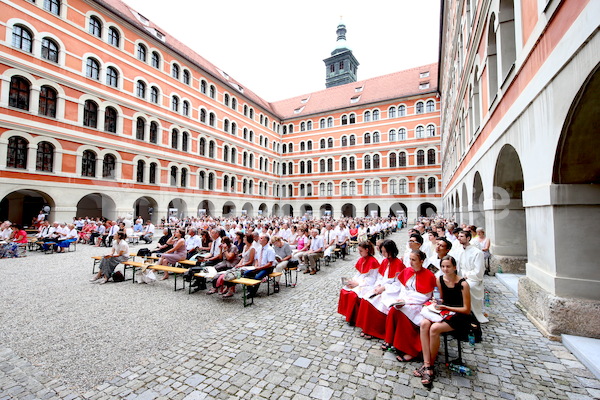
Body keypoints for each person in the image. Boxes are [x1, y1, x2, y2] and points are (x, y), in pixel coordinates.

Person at [416, 255, 471, 385]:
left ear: (455, 267)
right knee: (424, 324)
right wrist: (437, 302)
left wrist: (446, 306)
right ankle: (426, 363)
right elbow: (440, 298)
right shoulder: (439, 280)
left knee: (434, 328)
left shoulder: (463, 284)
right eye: (443, 266)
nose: (445, 269)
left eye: (448, 266)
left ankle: (430, 365)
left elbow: (467, 309)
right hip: (444, 311)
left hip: (459, 315)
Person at [382, 250, 437, 361]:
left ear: (421, 261)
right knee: (393, 310)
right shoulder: (407, 271)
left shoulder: (429, 275)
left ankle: (411, 350)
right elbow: (403, 289)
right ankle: (393, 342)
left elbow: (425, 296)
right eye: (410, 259)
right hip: (405, 300)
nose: (411, 262)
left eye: (414, 260)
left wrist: (407, 300)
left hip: (419, 304)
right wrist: (401, 299)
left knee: (403, 314)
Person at [355, 239, 405, 339]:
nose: (383, 254)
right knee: (366, 299)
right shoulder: (384, 261)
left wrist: (384, 288)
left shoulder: (399, 264)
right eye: (382, 251)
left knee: (376, 304)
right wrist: (378, 286)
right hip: (380, 288)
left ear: (392, 250)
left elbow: (398, 284)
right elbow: (380, 276)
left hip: (391, 291)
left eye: (385, 251)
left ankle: (373, 330)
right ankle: (366, 327)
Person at [337, 241, 380, 325]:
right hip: (359, 281)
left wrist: (358, 283)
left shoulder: (373, 262)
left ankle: (354, 318)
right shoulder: (361, 259)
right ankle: (347, 314)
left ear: (367, 250)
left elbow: (372, 279)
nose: (359, 253)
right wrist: (351, 281)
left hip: (367, 284)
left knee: (353, 295)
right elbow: (358, 273)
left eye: (361, 251)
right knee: (344, 290)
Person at [457, 230, 488, 323]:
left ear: (468, 238)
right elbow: (459, 267)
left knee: (466, 286)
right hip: (461, 276)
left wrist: (466, 275)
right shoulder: (460, 251)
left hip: (473, 279)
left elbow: (478, 271)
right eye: (458, 236)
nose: (459, 238)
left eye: (462, 236)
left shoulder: (477, 252)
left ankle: (471, 313)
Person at [242, 234, 276, 298]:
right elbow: (257, 259)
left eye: (261, 238)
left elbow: (270, 263)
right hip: (259, 267)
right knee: (246, 274)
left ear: (266, 241)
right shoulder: (259, 248)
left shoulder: (270, 250)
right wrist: (256, 266)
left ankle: (252, 293)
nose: (259, 240)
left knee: (257, 277)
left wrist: (260, 268)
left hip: (267, 268)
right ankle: (250, 290)